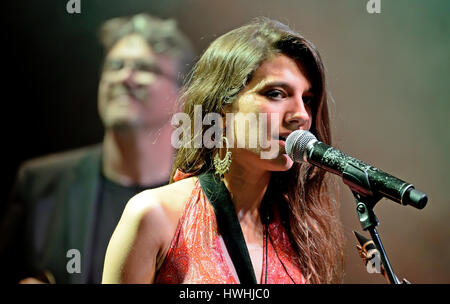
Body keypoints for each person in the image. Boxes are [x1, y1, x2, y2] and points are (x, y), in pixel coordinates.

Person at [102, 17, 345, 284]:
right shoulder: (154, 215)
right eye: (276, 93)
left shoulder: (300, 228)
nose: (301, 115)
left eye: (307, 99)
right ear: (222, 108)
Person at [0, 13, 195, 284]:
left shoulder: (203, 197)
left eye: (145, 68)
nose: (124, 77)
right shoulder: (41, 183)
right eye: (115, 65)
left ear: (183, 98)